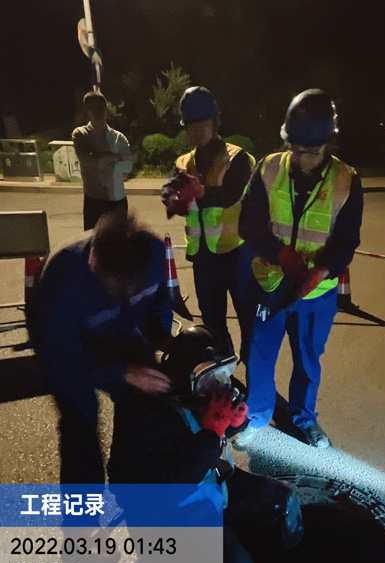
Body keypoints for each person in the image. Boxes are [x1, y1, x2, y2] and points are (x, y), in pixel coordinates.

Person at [108, 324, 303, 563]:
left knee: (284, 501)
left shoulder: (191, 394)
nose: (221, 384)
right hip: (166, 515)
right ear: (189, 376)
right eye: (212, 376)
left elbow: (208, 436)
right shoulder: (143, 413)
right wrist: (213, 433)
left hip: (206, 484)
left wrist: (234, 424)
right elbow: (169, 486)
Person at [234, 89, 364, 449]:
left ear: (327, 144)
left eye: (311, 151)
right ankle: (257, 417)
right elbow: (248, 223)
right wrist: (279, 253)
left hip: (315, 292)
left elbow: (347, 241)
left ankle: (305, 419)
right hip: (269, 283)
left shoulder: (346, 180)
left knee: (308, 359)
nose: (302, 157)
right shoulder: (269, 168)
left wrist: (320, 271)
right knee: (260, 354)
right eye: (296, 148)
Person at [31, 213, 173, 484]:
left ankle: (130, 481)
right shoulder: (62, 280)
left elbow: (160, 301)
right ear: (93, 259)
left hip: (120, 331)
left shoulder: (151, 252)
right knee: (80, 422)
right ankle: (83, 507)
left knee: (148, 402)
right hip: (70, 343)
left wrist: (161, 340)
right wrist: (123, 373)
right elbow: (62, 363)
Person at [161, 86, 256, 359]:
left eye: (203, 121)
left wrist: (200, 192)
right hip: (204, 258)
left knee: (249, 320)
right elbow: (169, 188)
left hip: (238, 254)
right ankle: (222, 369)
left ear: (216, 121)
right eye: (191, 123)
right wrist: (171, 199)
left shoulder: (237, 158)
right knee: (213, 325)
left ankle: (254, 372)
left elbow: (231, 195)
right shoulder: (184, 162)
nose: (197, 129)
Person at [73, 91, 133, 231]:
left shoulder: (119, 138)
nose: (98, 109)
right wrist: (113, 159)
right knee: (94, 241)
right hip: (94, 202)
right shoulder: (81, 134)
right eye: (92, 106)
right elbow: (87, 161)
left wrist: (101, 160)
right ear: (86, 110)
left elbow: (128, 165)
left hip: (117, 201)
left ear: (106, 108)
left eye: (101, 105)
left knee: (119, 242)